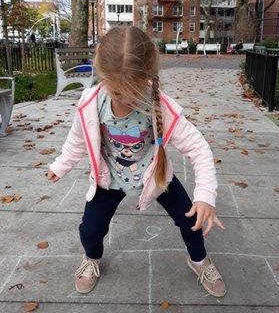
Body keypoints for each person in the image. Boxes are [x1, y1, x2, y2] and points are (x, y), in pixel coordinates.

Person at [47, 26, 227, 297]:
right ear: (102, 74)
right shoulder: (90, 104)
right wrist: (61, 165)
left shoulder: (160, 106)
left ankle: (200, 261)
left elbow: (199, 148)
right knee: (90, 229)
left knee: (191, 220)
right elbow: (77, 140)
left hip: (155, 176)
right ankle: (92, 258)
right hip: (110, 178)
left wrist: (205, 196)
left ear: (147, 77)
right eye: (117, 93)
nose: (125, 100)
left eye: (133, 92)